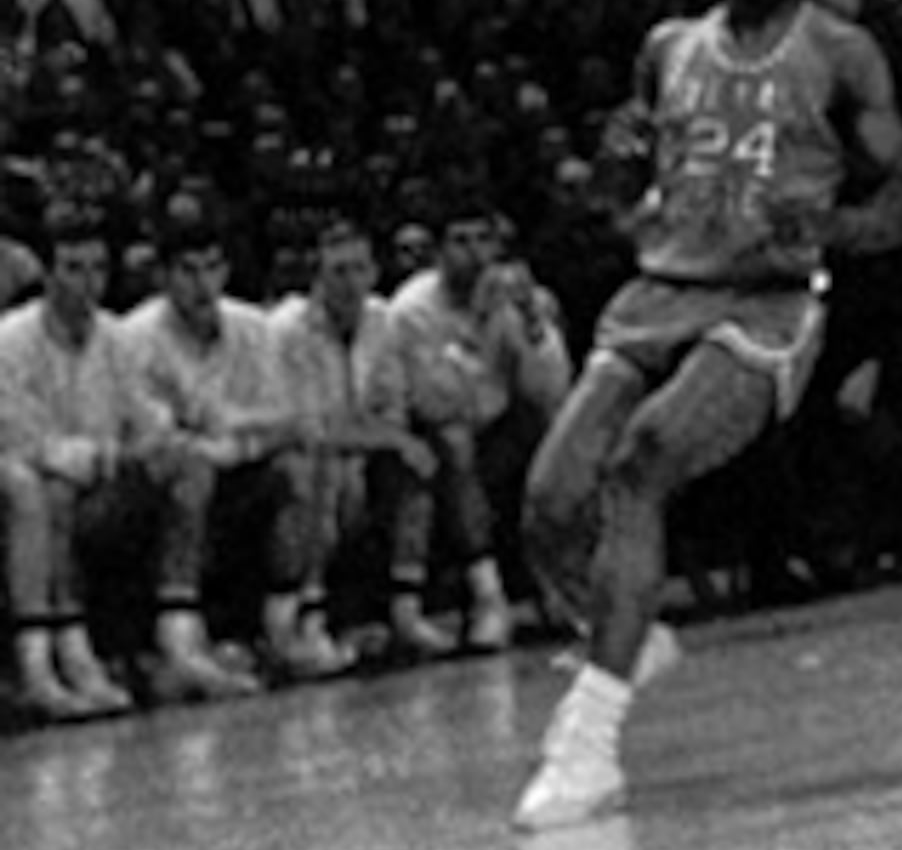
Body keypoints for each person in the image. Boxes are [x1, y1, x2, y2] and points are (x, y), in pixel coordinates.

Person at [512, 0, 902, 828]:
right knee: (548, 503)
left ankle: (590, 747)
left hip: (765, 306)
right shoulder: (668, 48)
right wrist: (614, 174)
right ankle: (626, 633)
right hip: (660, 291)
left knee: (643, 460)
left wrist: (834, 227)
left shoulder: (843, 51)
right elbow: (620, 189)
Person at [120, 214, 343, 692]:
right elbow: (155, 438)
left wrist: (227, 432)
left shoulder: (254, 328)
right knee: (190, 468)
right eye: (188, 271)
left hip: (236, 467)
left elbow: (292, 419)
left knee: (305, 460)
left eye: (212, 268)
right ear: (163, 277)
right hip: (154, 482)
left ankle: (292, 620)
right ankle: (179, 639)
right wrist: (239, 432)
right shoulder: (135, 338)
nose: (203, 285)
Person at [389, 203, 574, 652]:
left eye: (483, 241)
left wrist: (532, 323)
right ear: (438, 253)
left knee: (560, 429)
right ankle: (489, 597)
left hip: (499, 433)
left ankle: (565, 581)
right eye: (461, 242)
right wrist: (474, 327)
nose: (474, 254)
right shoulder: (412, 311)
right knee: (454, 441)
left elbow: (552, 390)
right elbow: (436, 403)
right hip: (433, 446)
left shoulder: (517, 299)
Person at [0, 211, 150, 720]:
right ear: (47, 275)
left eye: (98, 269)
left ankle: (82, 649)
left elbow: (144, 418)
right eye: (73, 268)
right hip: (30, 474)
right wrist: (90, 456)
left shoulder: (119, 338)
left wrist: (138, 447)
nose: (88, 283)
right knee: (38, 488)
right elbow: (20, 436)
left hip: (100, 477)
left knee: (176, 469)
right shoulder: (10, 340)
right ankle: (45, 660)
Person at [271, 209, 436, 664]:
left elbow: (393, 408)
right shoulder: (287, 329)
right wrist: (384, 439)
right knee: (322, 471)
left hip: (363, 451)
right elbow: (308, 427)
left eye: (359, 269)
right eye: (338, 271)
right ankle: (308, 618)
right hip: (303, 457)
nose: (350, 282)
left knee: (416, 460)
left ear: (375, 272)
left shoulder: (383, 320)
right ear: (317, 277)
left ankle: (406, 611)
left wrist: (387, 440)